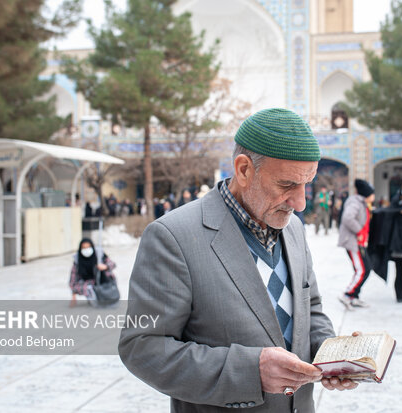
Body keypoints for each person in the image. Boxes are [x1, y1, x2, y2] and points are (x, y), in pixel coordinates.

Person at [119, 108, 358, 413]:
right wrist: (249, 371)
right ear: (244, 170)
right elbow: (142, 347)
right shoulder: (173, 237)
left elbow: (309, 308)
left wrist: (330, 355)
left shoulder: (293, 228)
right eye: (287, 185)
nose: (300, 203)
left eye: (306, 185)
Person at [337, 179, 375, 309]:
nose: (373, 197)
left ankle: (354, 297)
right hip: (352, 242)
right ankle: (348, 294)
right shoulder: (355, 202)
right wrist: (358, 230)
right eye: (372, 194)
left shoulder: (362, 203)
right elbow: (348, 217)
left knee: (363, 268)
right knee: (363, 269)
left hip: (359, 242)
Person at [69, 238, 116, 307]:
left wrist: (105, 266)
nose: (86, 250)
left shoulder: (99, 255)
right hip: (88, 284)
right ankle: (93, 296)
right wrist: (73, 296)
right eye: (84, 248)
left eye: (88, 247)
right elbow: (73, 279)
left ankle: (107, 296)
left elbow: (112, 264)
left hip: (102, 281)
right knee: (87, 288)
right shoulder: (78, 260)